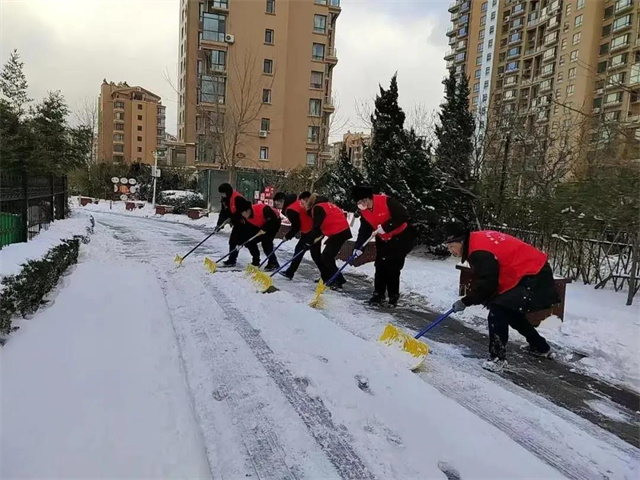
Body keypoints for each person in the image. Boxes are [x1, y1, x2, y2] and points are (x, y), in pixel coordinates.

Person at [445, 222, 559, 372]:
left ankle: (497, 358)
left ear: (461, 241)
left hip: (534, 273)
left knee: (498, 310)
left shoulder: (478, 251)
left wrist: (465, 301)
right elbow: (490, 280)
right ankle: (540, 347)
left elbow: (487, 284)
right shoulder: (475, 242)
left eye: (452, 246)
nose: (451, 251)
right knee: (510, 311)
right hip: (531, 271)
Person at [351, 186, 414, 308]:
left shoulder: (387, 201)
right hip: (383, 238)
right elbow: (364, 230)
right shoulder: (363, 211)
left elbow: (403, 216)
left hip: (400, 237)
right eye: (359, 202)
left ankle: (393, 297)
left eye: (364, 201)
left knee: (393, 267)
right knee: (380, 266)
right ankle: (378, 295)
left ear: (370, 198)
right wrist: (359, 247)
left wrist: (386, 227)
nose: (362, 204)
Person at [305, 193, 352, 289]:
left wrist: (309, 241)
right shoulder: (326, 205)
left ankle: (338, 280)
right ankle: (327, 277)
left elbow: (316, 226)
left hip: (339, 232)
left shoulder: (318, 208)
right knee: (327, 256)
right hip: (340, 231)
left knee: (326, 257)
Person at [279, 191, 323, 280]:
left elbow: (296, 227)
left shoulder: (291, 210)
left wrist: (287, 236)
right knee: (316, 255)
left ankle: (290, 272)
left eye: (279, 202)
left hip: (310, 232)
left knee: (299, 250)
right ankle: (328, 275)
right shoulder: (297, 204)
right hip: (313, 230)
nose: (277, 204)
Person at [237, 198, 282, 270]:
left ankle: (273, 262)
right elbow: (247, 231)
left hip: (274, 223)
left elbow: (273, 220)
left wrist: (264, 228)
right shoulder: (246, 217)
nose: (242, 215)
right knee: (250, 241)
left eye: (243, 213)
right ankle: (256, 260)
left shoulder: (264, 209)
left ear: (248, 210)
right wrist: (241, 242)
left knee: (266, 242)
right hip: (260, 225)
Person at [216, 183, 247, 267]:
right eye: (221, 193)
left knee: (248, 243)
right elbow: (223, 213)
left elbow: (242, 212)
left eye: (223, 193)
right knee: (233, 241)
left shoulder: (238, 198)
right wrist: (219, 224)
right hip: (237, 223)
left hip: (244, 222)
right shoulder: (225, 199)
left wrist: (231, 218)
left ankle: (259, 261)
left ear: (227, 191)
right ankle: (232, 260)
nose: (222, 195)